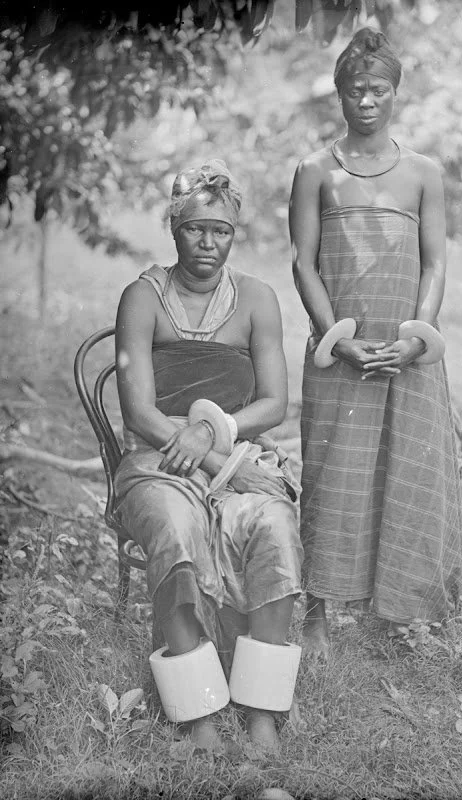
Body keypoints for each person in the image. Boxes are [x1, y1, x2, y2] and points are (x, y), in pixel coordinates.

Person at [114, 160, 303, 753]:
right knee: (176, 530)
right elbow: (139, 411)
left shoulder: (256, 299)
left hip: (236, 450)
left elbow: (274, 403)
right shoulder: (142, 297)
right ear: (174, 227)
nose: (208, 242)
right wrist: (198, 447)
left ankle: (263, 712)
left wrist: (213, 432)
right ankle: (198, 717)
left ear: (234, 233)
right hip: (157, 459)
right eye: (196, 227)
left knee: (274, 525)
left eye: (221, 230)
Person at [289, 29, 462, 656]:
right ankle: (315, 615)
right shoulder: (316, 172)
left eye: (378, 89)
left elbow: (436, 264)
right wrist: (334, 340)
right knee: (333, 472)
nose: (366, 100)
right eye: (355, 89)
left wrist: (419, 339)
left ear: (396, 94)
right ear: (339, 94)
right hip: (340, 354)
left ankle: (399, 615)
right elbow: (304, 264)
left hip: (406, 354)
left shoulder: (423, 173)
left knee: (404, 471)